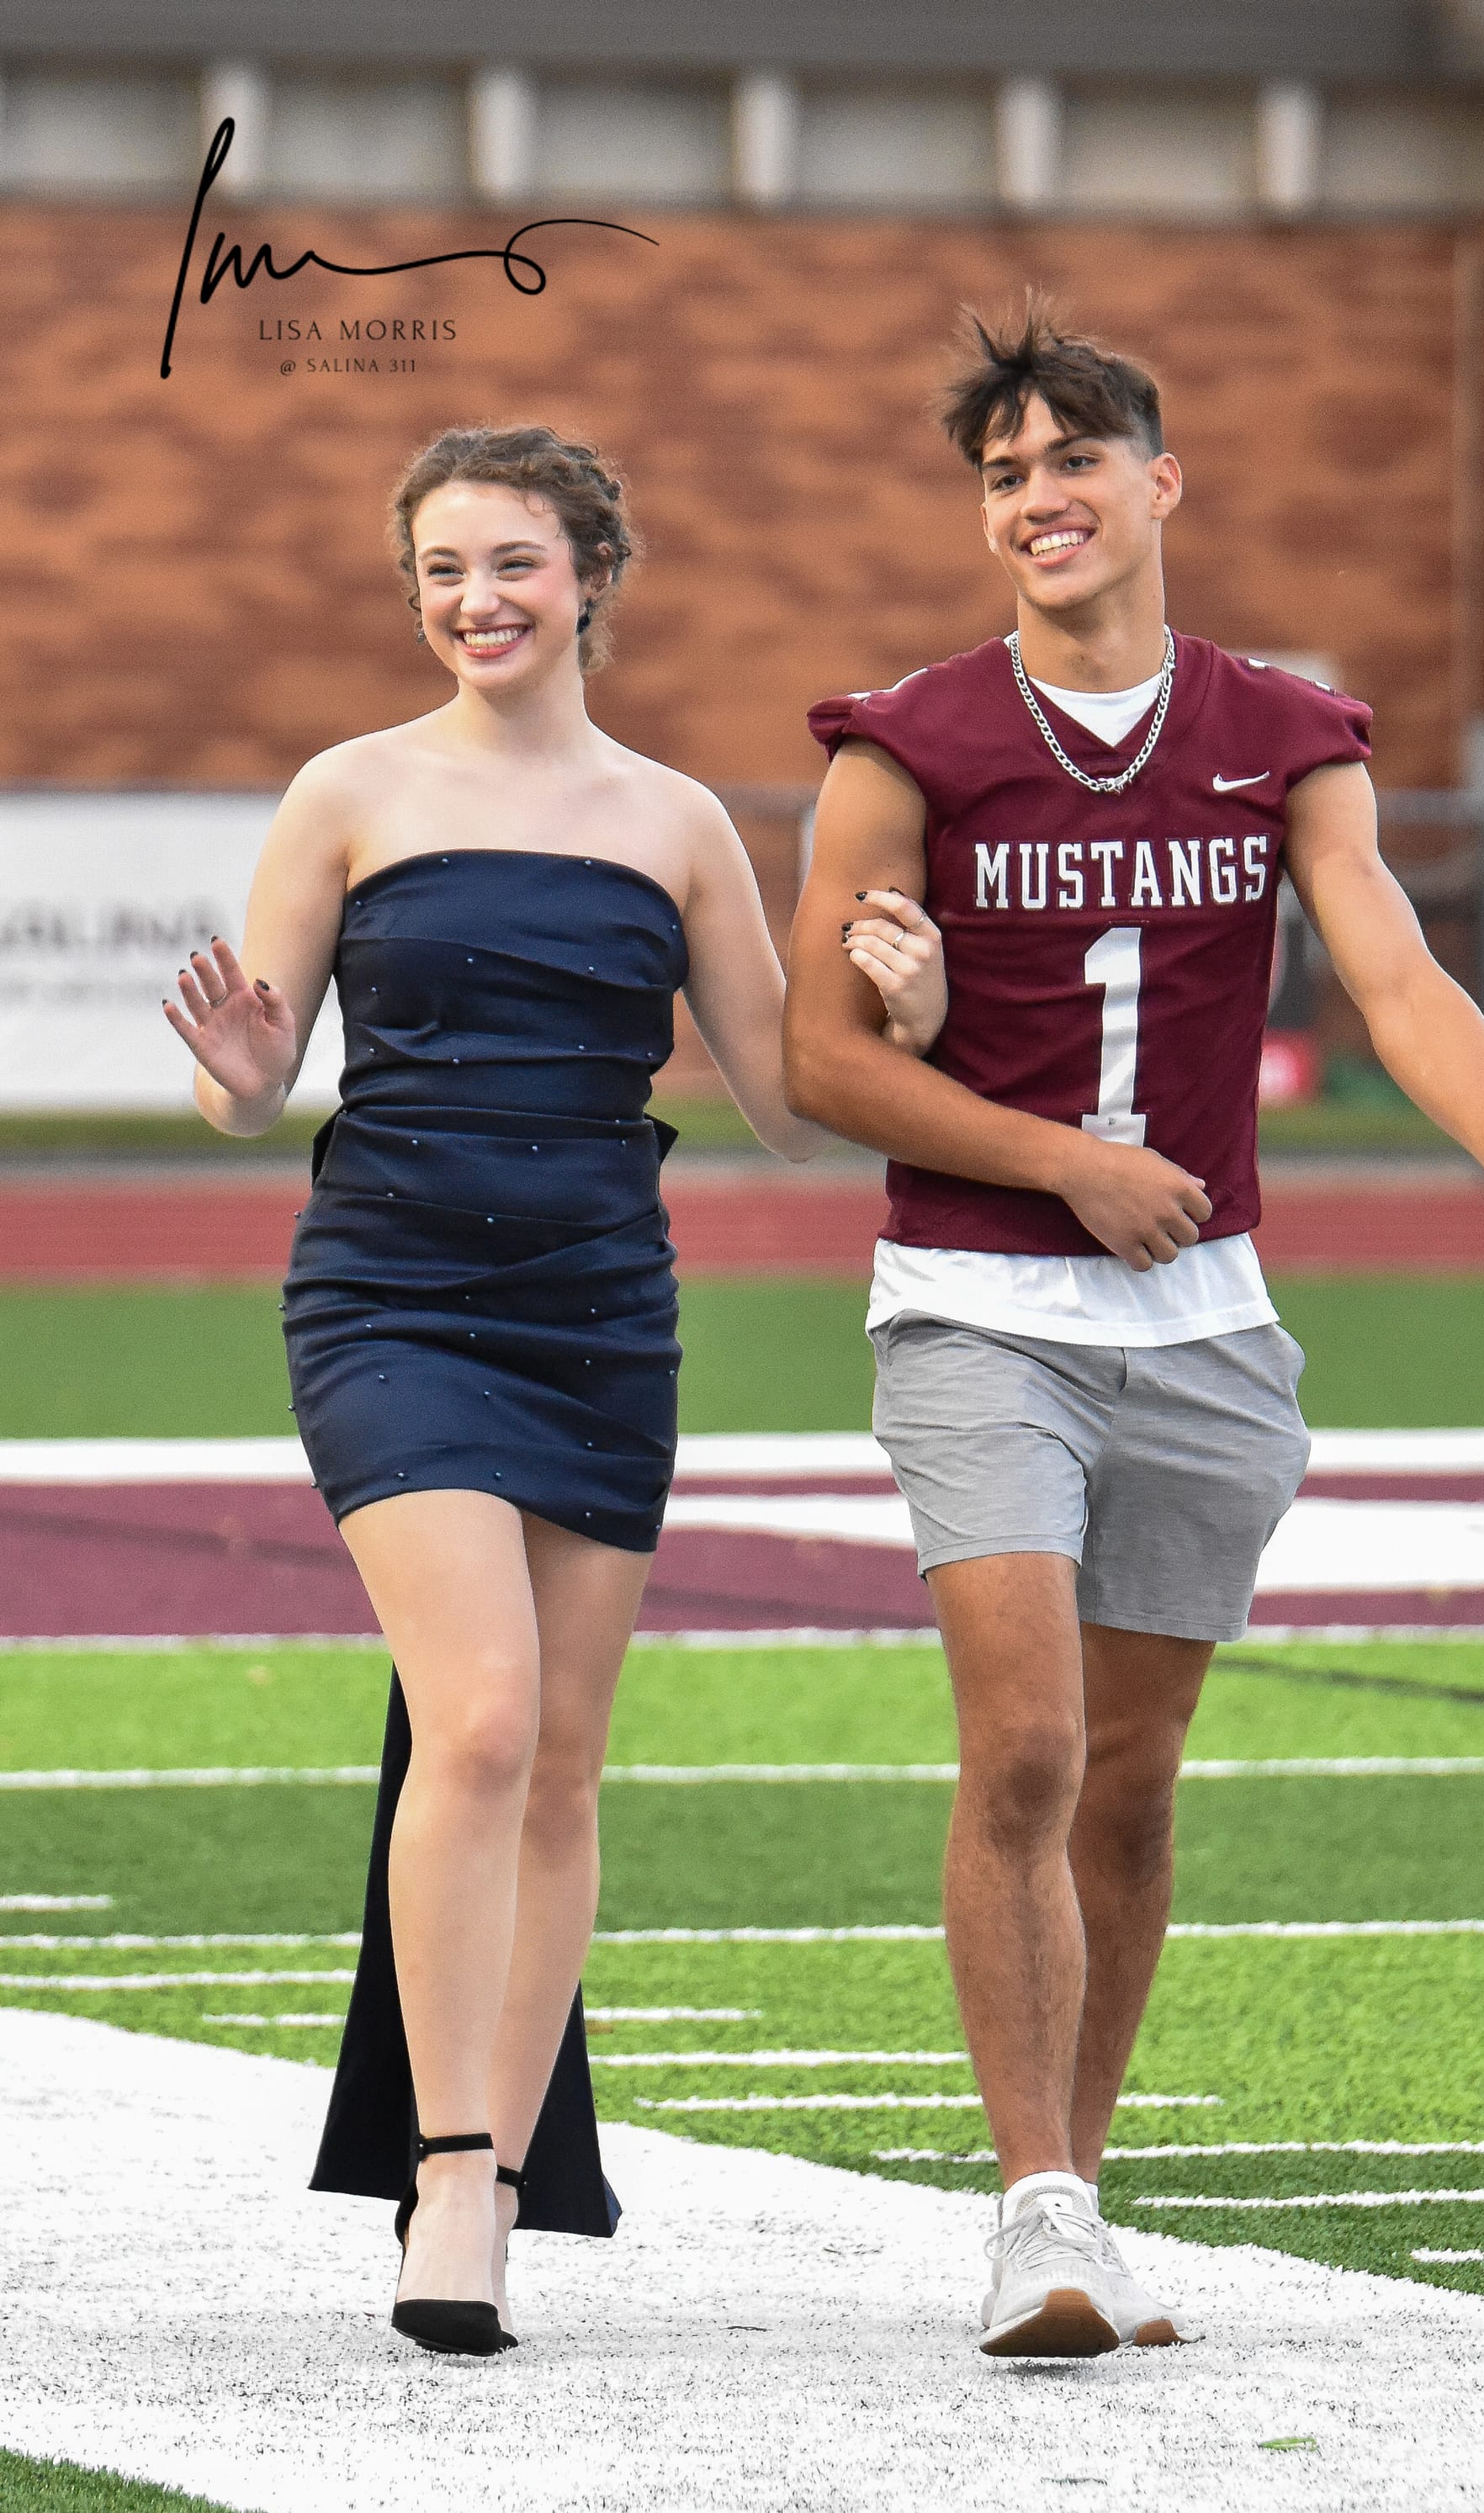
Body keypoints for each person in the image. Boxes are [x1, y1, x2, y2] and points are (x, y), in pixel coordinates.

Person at [784, 304, 1484, 2360]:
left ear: (1159, 482)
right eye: (1003, 475)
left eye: (1073, 460)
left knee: (1133, 1784)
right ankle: (1032, 2208)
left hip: (1207, 1319)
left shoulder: (1283, 730)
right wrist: (1063, 1163)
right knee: (1028, 1746)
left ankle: (1083, 2200)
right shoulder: (905, 744)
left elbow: (1392, 968)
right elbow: (819, 1060)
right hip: (979, 1307)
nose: (1037, 498)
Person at [162, 423, 946, 2358]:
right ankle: (444, 2176)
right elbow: (249, 1080)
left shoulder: (677, 821)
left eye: (510, 561)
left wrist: (906, 1015)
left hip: (598, 1313)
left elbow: (791, 1103)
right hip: (390, 1298)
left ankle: (503, 2176)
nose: (475, 600)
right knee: (486, 1719)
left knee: (564, 1758)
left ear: (592, 573)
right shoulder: (347, 791)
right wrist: (244, 1071)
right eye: (441, 569)